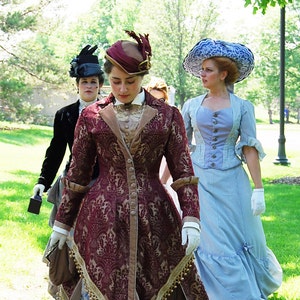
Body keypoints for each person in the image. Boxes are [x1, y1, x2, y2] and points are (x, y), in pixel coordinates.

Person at [49, 30, 208, 300]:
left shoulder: (168, 116)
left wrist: (191, 218)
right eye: (115, 81)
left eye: (130, 82)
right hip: (102, 216)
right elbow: (77, 174)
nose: (122, 89)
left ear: (142, 78)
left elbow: (183, 173)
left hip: (154, 216)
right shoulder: (91, 116)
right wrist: (62, 224)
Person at [181, 38, 283, 300]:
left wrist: (258, 189)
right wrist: (163, 180)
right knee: (210, 238)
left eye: (208, 70)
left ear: (223, 74)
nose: (202, 74)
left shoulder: (242, 107)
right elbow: (179, 149)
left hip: (233, 181)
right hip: (200, 179)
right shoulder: (191, 105)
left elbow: (249, 148)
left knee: (240, 237)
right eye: (202, 69)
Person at [32, 45, 104, 298]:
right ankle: (68, 288)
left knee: (96, 240)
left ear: (99, 85)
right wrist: (43, 181)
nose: (89, 86)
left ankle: (93, 290)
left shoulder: (110, 112)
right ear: (77, 84)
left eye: (93, 82)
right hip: (72, 183)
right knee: (67, 239)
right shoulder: (64, 115)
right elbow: (55, 151)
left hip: (101, 185)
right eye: (84, 81)